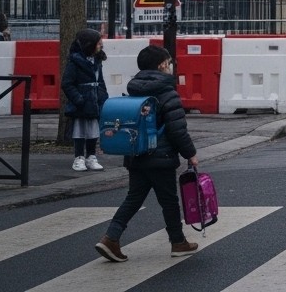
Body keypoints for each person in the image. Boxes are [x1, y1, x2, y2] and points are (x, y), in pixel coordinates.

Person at [95, 45, 199, 262]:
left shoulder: (134, 89)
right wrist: (190, 153)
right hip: (161, 158)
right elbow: (177, 130)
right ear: (161, 65)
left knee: (133, 198)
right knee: (169, 202)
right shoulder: (168, 93)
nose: (170, 67)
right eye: (168, 63)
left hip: (136, 154)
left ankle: (111, 237)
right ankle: (178, 242)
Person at [61, 28, 108, 172]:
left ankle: (91, 156)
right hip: (82, 102)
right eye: (98, 42)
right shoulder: (75, 62)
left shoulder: (96, 60)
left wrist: (103, 96)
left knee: (93, 130)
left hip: (93, 100)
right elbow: (67, 83)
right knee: (80, 130)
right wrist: (78, 99)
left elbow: (100, 81)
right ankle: (79, 157)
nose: (101, 45)